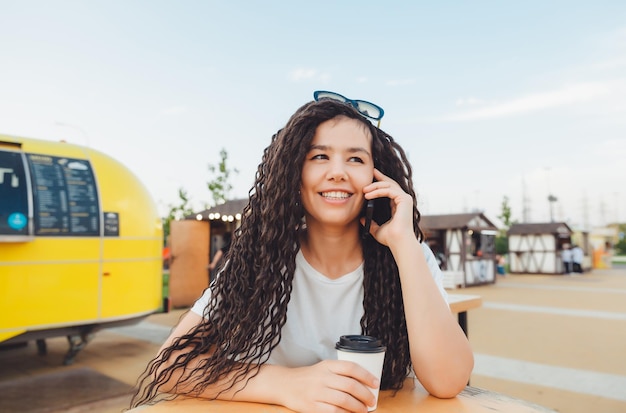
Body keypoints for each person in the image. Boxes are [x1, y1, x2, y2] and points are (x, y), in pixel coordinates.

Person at [131, 91, 474, 412]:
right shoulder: (258, 257)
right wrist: (286, 385)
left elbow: (448, 381)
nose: (337, 172)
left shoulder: (410, 256)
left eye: (355, 158)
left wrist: (405, 247)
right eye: (319, 156)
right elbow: (169, 366)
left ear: (377, 176)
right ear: (294, 173)